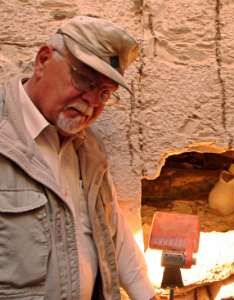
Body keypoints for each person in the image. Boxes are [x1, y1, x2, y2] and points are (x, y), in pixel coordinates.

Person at [0, 16, 156, 299]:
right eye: (84, 78)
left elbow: (117, 237)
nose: (93, 102)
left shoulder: (88, 150)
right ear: (43, 60)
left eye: (105, 93)